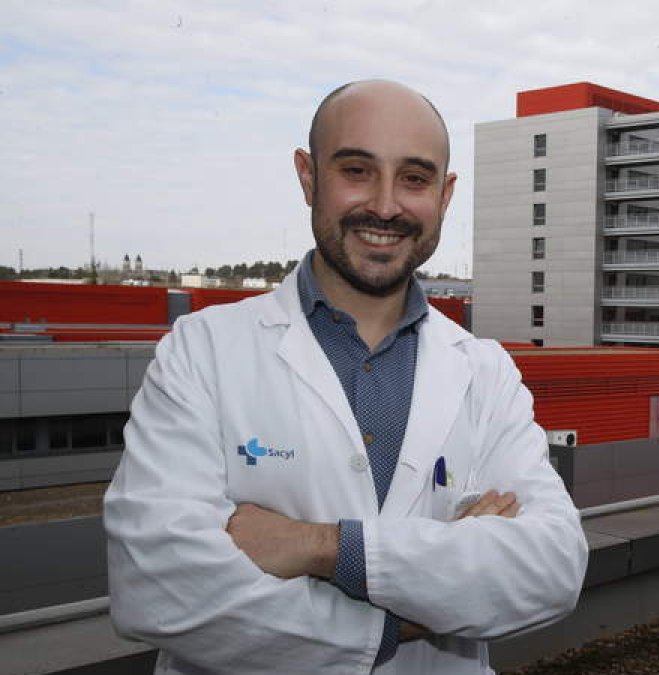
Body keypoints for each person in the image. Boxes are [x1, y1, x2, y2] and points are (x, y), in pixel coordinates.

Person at [104, 80, 589, 674]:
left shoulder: (485, 372)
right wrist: (415, 613)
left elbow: (551, 568)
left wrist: (322, 547)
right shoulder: (202, 350)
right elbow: (158, 587)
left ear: (444, 194)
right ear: (308, 177)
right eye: (357, 170)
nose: (385, 206)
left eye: (414, 178)